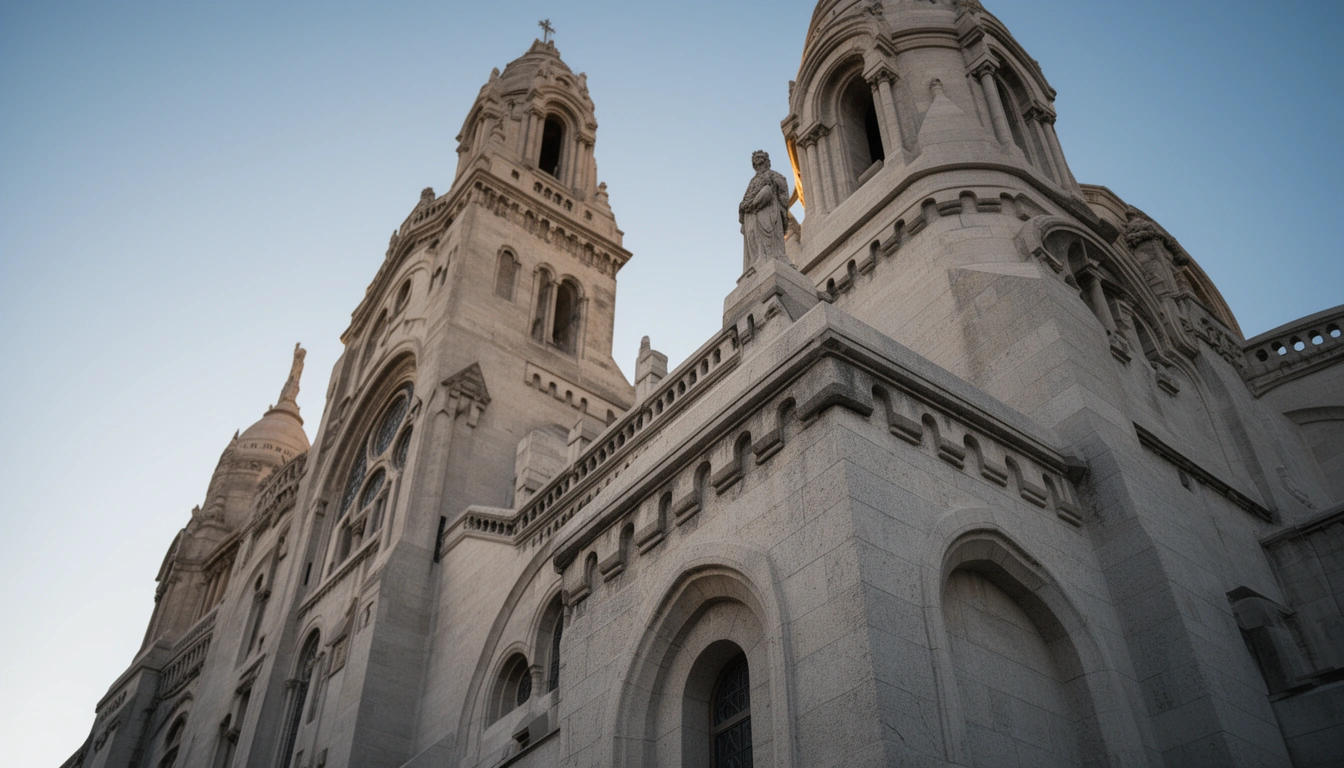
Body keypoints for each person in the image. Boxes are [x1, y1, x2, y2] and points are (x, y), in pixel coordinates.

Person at [738, 150, 791, 273]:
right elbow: (746, 198)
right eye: (756, 159)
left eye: (761, 158)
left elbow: (782, 191)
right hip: (751, 214)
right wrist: (745, 208)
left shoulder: (774, 175)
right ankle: (757, 260)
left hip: (768, 209)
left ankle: (769, 257)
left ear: (767, 161)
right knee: (754, 237)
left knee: (767, 237)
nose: (758, 160)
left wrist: (782, 209)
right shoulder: (753, 181)